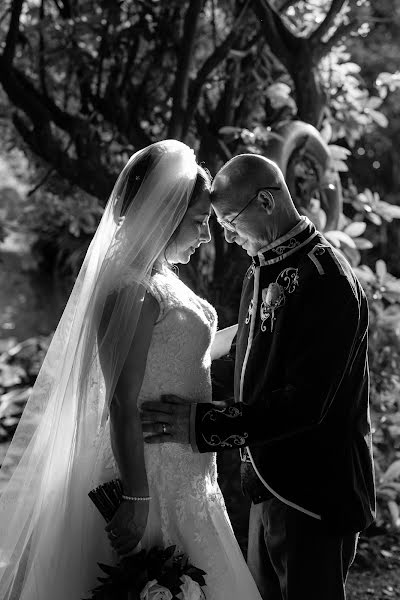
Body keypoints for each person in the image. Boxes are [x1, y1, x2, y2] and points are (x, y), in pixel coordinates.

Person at [0, 141, 263, 600]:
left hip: (190, 469)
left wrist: (253, 330)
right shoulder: (131, 289)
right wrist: (137, 497)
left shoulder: (161, 276)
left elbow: (183, 354)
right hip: (150, 472)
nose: (207, 236)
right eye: (200, 222)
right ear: (165, 215)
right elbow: (122, 400)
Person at [141, 154, 376, 600]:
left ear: (265, 202)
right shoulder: (263, 266)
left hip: (314, 495)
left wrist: (201, 425)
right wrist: (168, 383)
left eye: (230, 221)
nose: (226, 236)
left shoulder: (327, 280)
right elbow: (247, 366)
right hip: (268, 483)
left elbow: (305, 403)